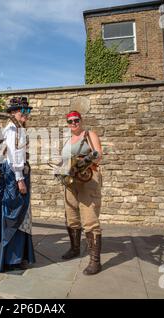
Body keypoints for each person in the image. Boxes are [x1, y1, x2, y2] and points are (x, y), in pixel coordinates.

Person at [0, 97, 36, 273]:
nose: (26, 114)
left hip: (8, 172)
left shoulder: (9, 129)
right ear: (13, 113)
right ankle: (13, 258)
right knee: (15, 214)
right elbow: (15, 155)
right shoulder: (15, 129)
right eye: (23, 111)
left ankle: (6, 257)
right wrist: (20, 179)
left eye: (28, 111)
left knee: (9, 214)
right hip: (13, 175)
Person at [60, 110, 103, 275]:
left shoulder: (89, 134)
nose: (73, 123)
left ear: (81, 120)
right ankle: (75, 248)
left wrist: (88, 158)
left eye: (76, 120)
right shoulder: (67, 138)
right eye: (70, 121)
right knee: (71, 217)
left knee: (89, 218)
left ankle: (95, 261)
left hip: (87, 179)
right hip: (70, 181)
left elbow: (98, 154)